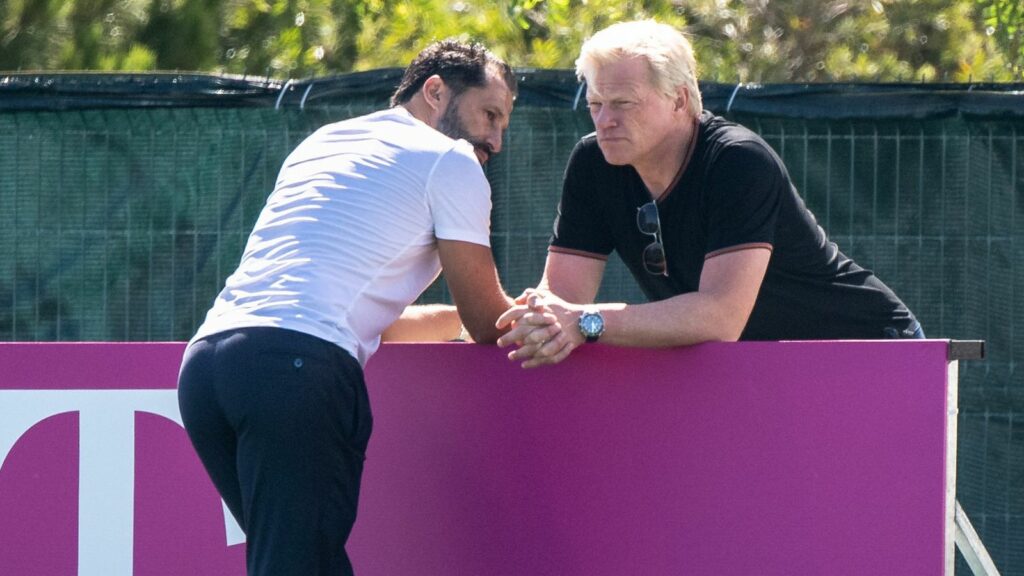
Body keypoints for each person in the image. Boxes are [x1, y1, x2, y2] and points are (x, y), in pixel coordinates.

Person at [177, 40, 542, 576]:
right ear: (435, 91)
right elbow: (488, 321)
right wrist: (551, 315)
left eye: (503, 124)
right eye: (489, 115)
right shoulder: (452, 160)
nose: (495, 139)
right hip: (294, 373)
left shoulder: (325, 142)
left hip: (209, 370)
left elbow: (359, 314)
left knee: (308, 561)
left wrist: (451, 323)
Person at [497, 19, 923, 367]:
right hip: (753, 367)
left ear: (680, 100)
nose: (604, 120)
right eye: (595, 104)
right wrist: (539, 321)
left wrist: (586, 322)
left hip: (871, 353)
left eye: (623, 104)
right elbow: (562, 301)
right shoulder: (594, 163)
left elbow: (719, 316)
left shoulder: (738, 160)